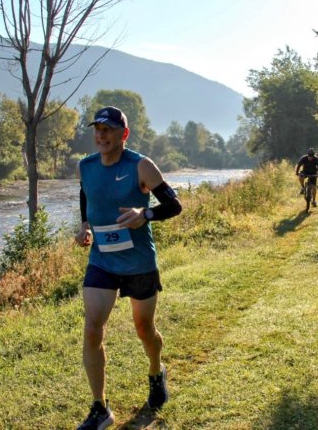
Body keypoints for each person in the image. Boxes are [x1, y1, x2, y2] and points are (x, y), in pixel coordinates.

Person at [75, 106, 182, 430]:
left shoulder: (141, 165)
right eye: (98, 129)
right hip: (102, 260)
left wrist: (145, 214)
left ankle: (156, 371)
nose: (101, 135)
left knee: (144, 328)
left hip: (138, 262)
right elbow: (86, 193)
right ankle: (100, 408)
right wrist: (85, 225)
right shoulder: (86, 166)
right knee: (92, 327)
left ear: (124, 134)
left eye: (108, 129)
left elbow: (174, 205)